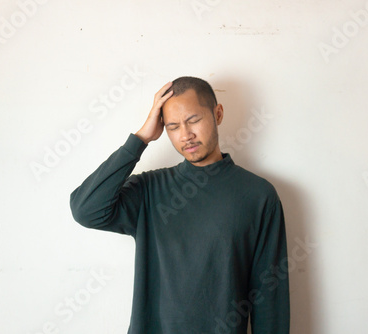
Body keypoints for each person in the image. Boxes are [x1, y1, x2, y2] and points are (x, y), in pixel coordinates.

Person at [69, 77, 290, 333]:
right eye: (173, 126)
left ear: (217, 114)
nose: (186, 135)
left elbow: (269, 300)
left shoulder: (258, 195)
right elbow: (86, 210)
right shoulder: (149, 190)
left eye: (193, 120)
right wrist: (140, 139)